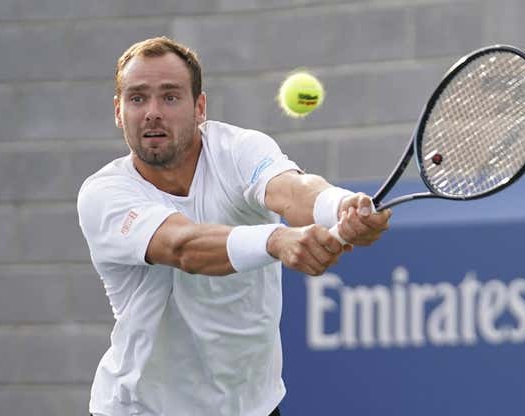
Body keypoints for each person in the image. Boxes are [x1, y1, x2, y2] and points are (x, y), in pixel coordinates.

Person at [77, 36, 391, 416]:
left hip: (253, 406)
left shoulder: (239, 149)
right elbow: (183, 246)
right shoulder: (104, 194)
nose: (152, 112)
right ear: (118, 110)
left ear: (200, 107)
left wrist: (340, 205)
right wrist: (276, 239)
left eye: (171, 97)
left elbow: (292, 192)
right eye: (138, 98)